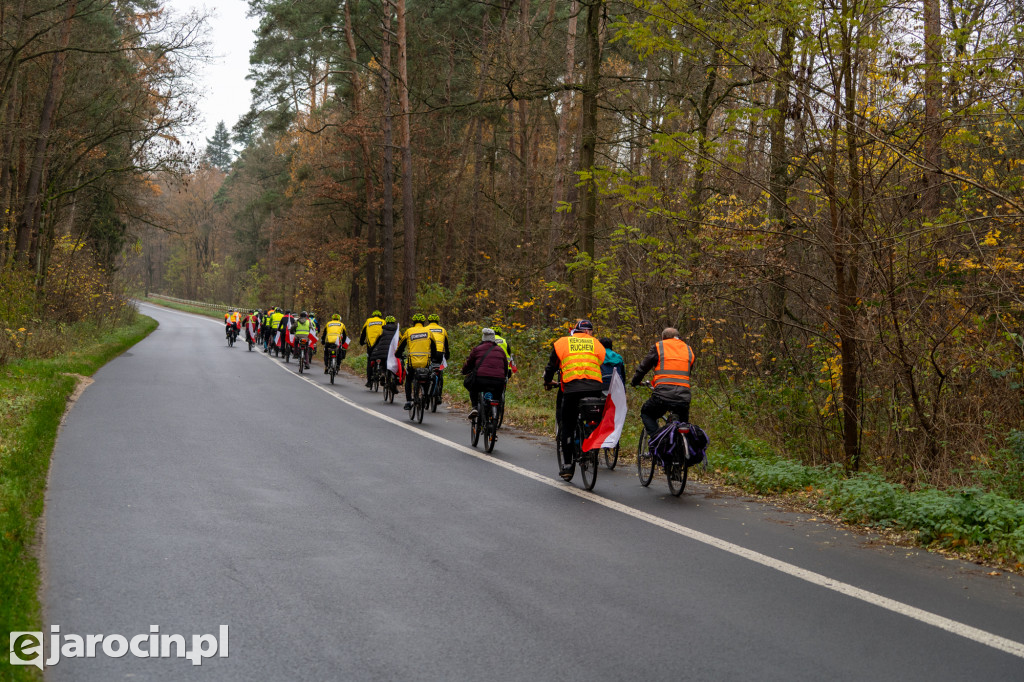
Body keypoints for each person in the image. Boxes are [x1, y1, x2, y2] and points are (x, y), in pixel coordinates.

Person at [543, 319, 606, 479]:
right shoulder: (595, 343)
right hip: (594, 387)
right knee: (593, 418)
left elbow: (551, 366)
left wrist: (547, 381)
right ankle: (591, 444)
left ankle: (568, 465)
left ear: (574, 332)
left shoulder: (562, 343)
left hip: (572, 389)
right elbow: (600, 361)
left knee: (568, 425)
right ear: (587, 332)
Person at [631, 327, 695, 436]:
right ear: (678, 337)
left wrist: (635, 382)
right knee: (683, 427)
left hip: (662, 396)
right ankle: (684, 449)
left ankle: (657, 440)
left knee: (647, 413)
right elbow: (688, 371)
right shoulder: (688, 349)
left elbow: (643, 368)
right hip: (684, 397)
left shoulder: (659, 346)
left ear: (663, 338)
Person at [462, 328, 508, 419]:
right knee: (496, 398)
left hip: (481, 379)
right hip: (498, 381)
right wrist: (504, 376)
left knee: (473, 387)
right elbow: (505, 366)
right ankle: (495, 414)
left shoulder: (477, 349)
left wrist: (464, 371)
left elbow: (469, 363)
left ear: (483, 338)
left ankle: (474, 407)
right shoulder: (500, 350)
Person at [396, 313, 438, 410]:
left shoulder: (409, 331)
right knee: (427, 379)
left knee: (409, 380)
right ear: (423, 323)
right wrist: (434, 358)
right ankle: (426, 398)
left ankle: (409, 401)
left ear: (413, 322)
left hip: (412, 363)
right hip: (425, 363)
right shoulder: (428, 332)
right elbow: (434, 348)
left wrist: (397, 354)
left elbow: (401, 346)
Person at [368, 315, 400, 386]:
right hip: (393, 353)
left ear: (386, 322)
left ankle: (382, 373)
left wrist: (372, 349)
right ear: (394, 322)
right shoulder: (397, 331)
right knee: (395, 363)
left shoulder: (382, 330)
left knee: (382, 361)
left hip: (382, 352)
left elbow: (376, 341)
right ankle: (395, 377)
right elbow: (400, 341)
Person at [360, 310, 386, 387]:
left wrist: (361, 342)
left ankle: (369, 381)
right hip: (380, 344)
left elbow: (363, 333)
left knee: (370, 361)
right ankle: (382, 373)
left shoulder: (368, 321)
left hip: (370, 345)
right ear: (380, 316)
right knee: (382, 358)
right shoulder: (383, 321)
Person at [426, 313, 450, 394]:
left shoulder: (425, 329)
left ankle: (427, 389)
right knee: (440, 372)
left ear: (429, 321)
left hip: (429, 353)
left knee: (427, 370)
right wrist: (446, 356)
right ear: (438, 322)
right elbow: (446, 345)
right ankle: (439, 394)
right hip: (440, 353)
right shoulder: (443, 330)